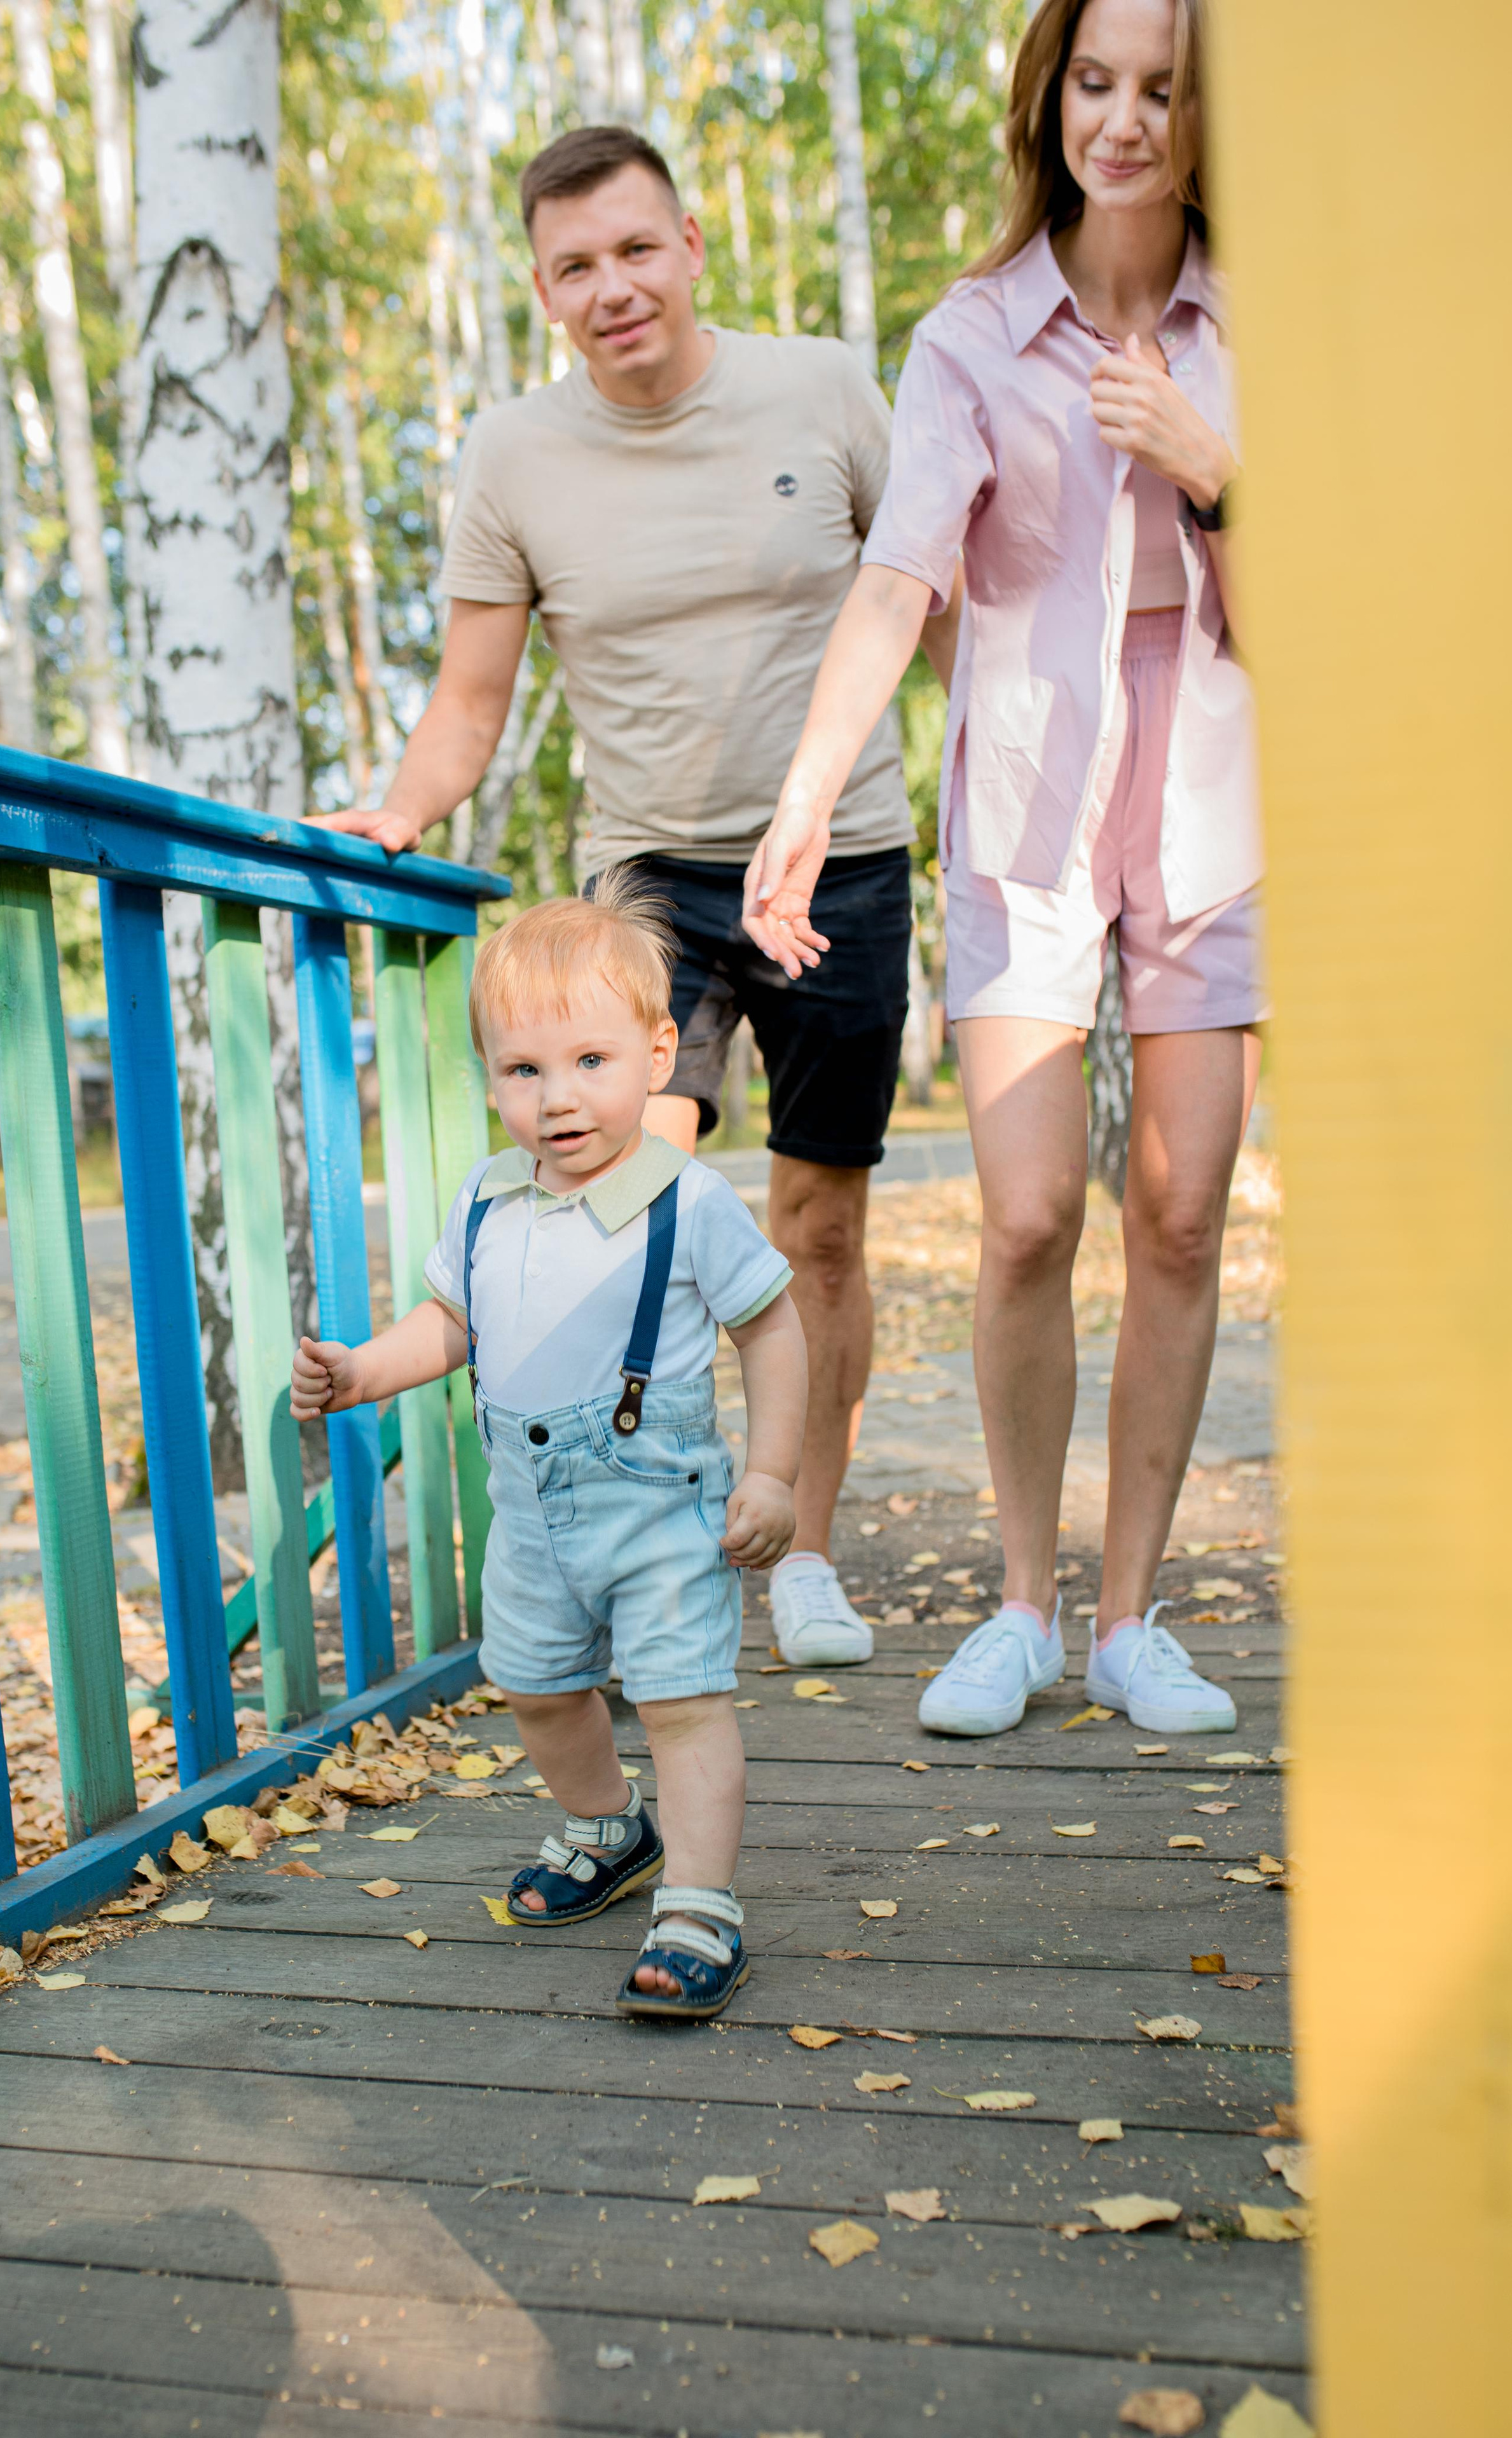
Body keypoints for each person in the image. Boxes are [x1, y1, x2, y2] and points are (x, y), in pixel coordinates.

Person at [311, 122, 959, 1670]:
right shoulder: (512, 456)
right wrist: (397, 813)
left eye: (635, 249)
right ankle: (634, 1523)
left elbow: (927, 616)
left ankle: (799, 1543)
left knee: (816, 1231)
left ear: (690, 247)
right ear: (543, 290)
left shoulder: (821, 390)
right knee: (621, 1190)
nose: (613, 287)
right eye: (574, 267)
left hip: (844, 858)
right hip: (653, 876)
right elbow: (471, 699)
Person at [742, 0, 1258, 1740]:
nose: (1125, 121)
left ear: (1209, 116)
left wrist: (1216, 474)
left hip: (1213, 800)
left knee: (1181, 1212)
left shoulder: (1258, 325)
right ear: (1053, 97)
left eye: (1165, 89)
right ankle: (1025, 1608)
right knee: (1031, 1210)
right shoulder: (973, 334)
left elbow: (1315, 610)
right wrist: (810, 791)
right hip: (1030, 800)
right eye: (1097, 83)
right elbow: (899, 581)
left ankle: (1131, 1619)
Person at [289, 879, 808, 2020]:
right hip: (527, 1506)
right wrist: (365, 1370)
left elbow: (772, 1327)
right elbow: (452, 1324)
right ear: (492, 1080)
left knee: (681, 1697)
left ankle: (701, 1901)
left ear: (659, 1053)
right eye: (524, 1070)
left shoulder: (688, 1198)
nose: (557, 1097)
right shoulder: (487, 1200)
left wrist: (773, 1473)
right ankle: (607, 1825)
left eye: (589, 1061)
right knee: (532, 1680)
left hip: (658, 1502)